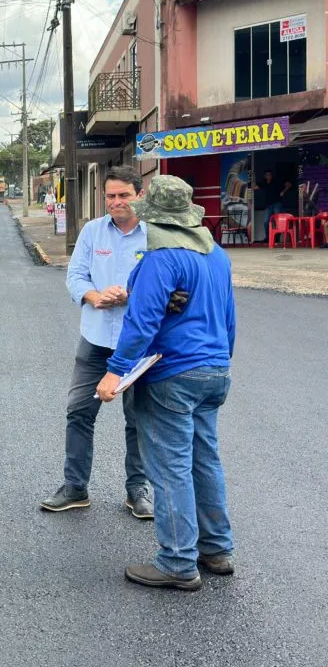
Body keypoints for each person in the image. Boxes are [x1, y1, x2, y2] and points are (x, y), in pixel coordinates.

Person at [97, 175, 236, 591]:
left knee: (170, 465)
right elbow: (228, 320)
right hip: (214, 370)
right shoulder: (216, 255)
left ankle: (177, 562)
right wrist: (219, 361)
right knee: (204, 459)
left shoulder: (160, 258)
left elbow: (142, 323)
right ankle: (217, 548)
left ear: (153, 217)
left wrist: (115, 370)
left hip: (173, 374)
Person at [40, 167, 154, 519]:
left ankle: (138, 490)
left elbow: (167, 284)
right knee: (78, 411)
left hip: (140, 345)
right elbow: (76, 274)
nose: (116, 202)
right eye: (110, 196)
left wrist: (130, 296)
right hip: (96, 338)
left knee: (140, 419)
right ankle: (75, 487)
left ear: (139, 194)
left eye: (123, 195)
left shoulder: (155, 235)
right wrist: (91, 295)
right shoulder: (92, 231)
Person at [256, 169, 293, 242]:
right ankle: (268, 238)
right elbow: (255, 187)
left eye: (269, 175)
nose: (268, 176)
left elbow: (289, 184)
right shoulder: (263, 182)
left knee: (277, 221)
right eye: (267, 175)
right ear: (265, 176)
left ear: (271, 175)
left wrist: (283, 192)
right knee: (266, 221)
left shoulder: (276, 181)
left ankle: (277, 238)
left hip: (277, 203)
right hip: (268, 205)